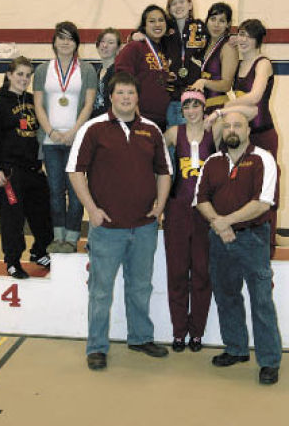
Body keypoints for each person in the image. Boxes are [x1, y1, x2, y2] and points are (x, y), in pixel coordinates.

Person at [67, 71, 172, 370]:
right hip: (107, 229)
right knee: (100, 291)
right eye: (120, 93)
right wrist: (92, 209)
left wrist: (160, 205)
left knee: (140, 286)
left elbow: (164, 171)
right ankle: (96, 347)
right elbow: (75, 171)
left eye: (131, 93)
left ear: (138, 97)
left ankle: (140, 338)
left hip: (144, 227)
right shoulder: (94, 128)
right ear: (111, 97)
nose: (126, 98)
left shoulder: (151, 130)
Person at [194, 111, 282, 385]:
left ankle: (269, 361)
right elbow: (201, 198)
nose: (232, 129)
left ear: (247, 130)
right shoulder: (212, 162)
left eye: (238, 125)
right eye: (227, 125)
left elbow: (263, 203)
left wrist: (224, 222)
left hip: (253, 238)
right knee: (226, 295)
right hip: (220, 240)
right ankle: (236, 349)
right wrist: (219, 225)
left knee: (261, 301)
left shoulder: (263, 159)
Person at [205, 19, 278, 255]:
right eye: (241, 35)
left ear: (258, 39)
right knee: (238, 190)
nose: (243, 39)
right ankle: (237, 239)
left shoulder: (263, 63)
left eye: (248, 35)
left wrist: (222, 110)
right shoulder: (238, 62)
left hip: (262, 134)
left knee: (264, 192)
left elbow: (256, 96)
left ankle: (266, 246)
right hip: (242, 139)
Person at [0, 56, 53, 279]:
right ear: (9, 75)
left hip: (34, 170)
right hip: (10, 173)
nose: (24, 79)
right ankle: (12, 261)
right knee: (13, 220)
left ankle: (39, 251)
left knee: (43, 216)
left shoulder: (33, 101)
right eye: (20, 74)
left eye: (27, 75)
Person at [33, 21, 97, 253]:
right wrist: (50, 131)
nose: (65, 42)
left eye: (70, 38)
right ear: (54, 42)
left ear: (76, 42)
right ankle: (58, 237)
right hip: (50, 141)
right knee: (55, 191)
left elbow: (88, 104)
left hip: (76, 140)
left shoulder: (87, 70)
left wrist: (73, 132)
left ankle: (72, 238)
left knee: (77, 192)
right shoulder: (42, 70)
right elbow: (38, 104)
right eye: (61, 37)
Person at [163, 90, 217, 353]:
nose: (192, 111)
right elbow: (155, 160)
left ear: (203, 108)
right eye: (187, 106)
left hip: (205, 212)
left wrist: (217, 114)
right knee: (176, 272)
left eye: (196, 106)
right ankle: (178, 331)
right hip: (177, 208)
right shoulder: (174, 133)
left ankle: (197, 332)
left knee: (202, 273)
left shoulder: (214, 133)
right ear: (181, 109)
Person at [115, 4, 171, 132]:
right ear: (144, 26)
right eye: (152, 21)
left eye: (161, 20)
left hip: (163, 119)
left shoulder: (165, 49)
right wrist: (132, 109)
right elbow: (122, 78)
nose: (157, 24)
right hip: (139, 117)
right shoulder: (134, 47)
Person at [164, 0, 207, 127]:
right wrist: (134, 35)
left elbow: (217, 40)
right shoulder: (164, 30)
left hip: (193, 98)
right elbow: (145, 29)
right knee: (170, 143)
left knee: (190, 143)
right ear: (169, 9)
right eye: (174, 3)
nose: (178, 6)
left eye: (181, 1)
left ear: (190, 5)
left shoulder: (200, 27)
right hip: (169, 97)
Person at [191, 2, 238, 113]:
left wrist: (204, 82)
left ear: (228, 24)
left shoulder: (228, 47)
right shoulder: (204, 43)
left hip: (218, 108)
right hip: (199, 107)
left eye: (222, 21)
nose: (216, 25)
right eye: (213, 19)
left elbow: (226, 85)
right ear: (207, 21)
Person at [91, 27, 121, 118]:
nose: (105, 45)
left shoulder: (119, 72)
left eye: (111, 43)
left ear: (118, 48)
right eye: (102, 42)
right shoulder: (94, 70)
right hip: (93, 122)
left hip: (111, 123)